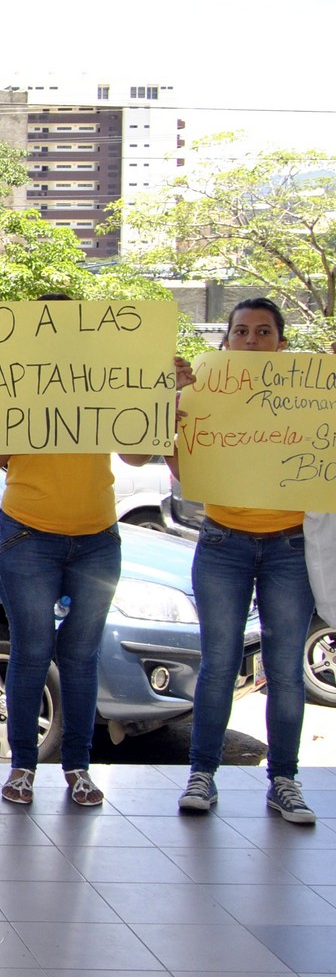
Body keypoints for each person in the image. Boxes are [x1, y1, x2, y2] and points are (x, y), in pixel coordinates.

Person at [0, 294, 192, 806]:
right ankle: (21, 769)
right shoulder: (16, 377)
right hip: (27, 538)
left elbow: (136, 451)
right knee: (32, 651)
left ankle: (78, 768)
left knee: (80, 657)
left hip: (97, 540)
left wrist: (158, 395)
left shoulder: (104, 376)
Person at [170, 297, 317, 824]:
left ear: (282, 343)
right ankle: (202, 775)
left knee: (284, 669)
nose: (252, 341)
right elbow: (187, 475)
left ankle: (285, 781)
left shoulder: (312, 393)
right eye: (242, 332)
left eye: (263, 332)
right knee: (218, 665)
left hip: (289, 546)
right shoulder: (203, 393)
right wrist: (174, 403)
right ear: (225, 342)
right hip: (222, 544)